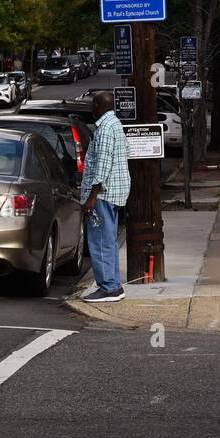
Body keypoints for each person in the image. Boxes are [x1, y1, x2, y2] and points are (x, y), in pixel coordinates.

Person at [80, 90, 131, 303]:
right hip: (114, 192)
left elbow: (102, 165)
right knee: (108, 240)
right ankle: (114, 286)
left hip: (103, 193)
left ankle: (109, 288)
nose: (92, 108)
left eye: (94, 104)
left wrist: (92, 196)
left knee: (100, 241)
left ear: (101, 106)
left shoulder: (105, 129)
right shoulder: (115, 125)